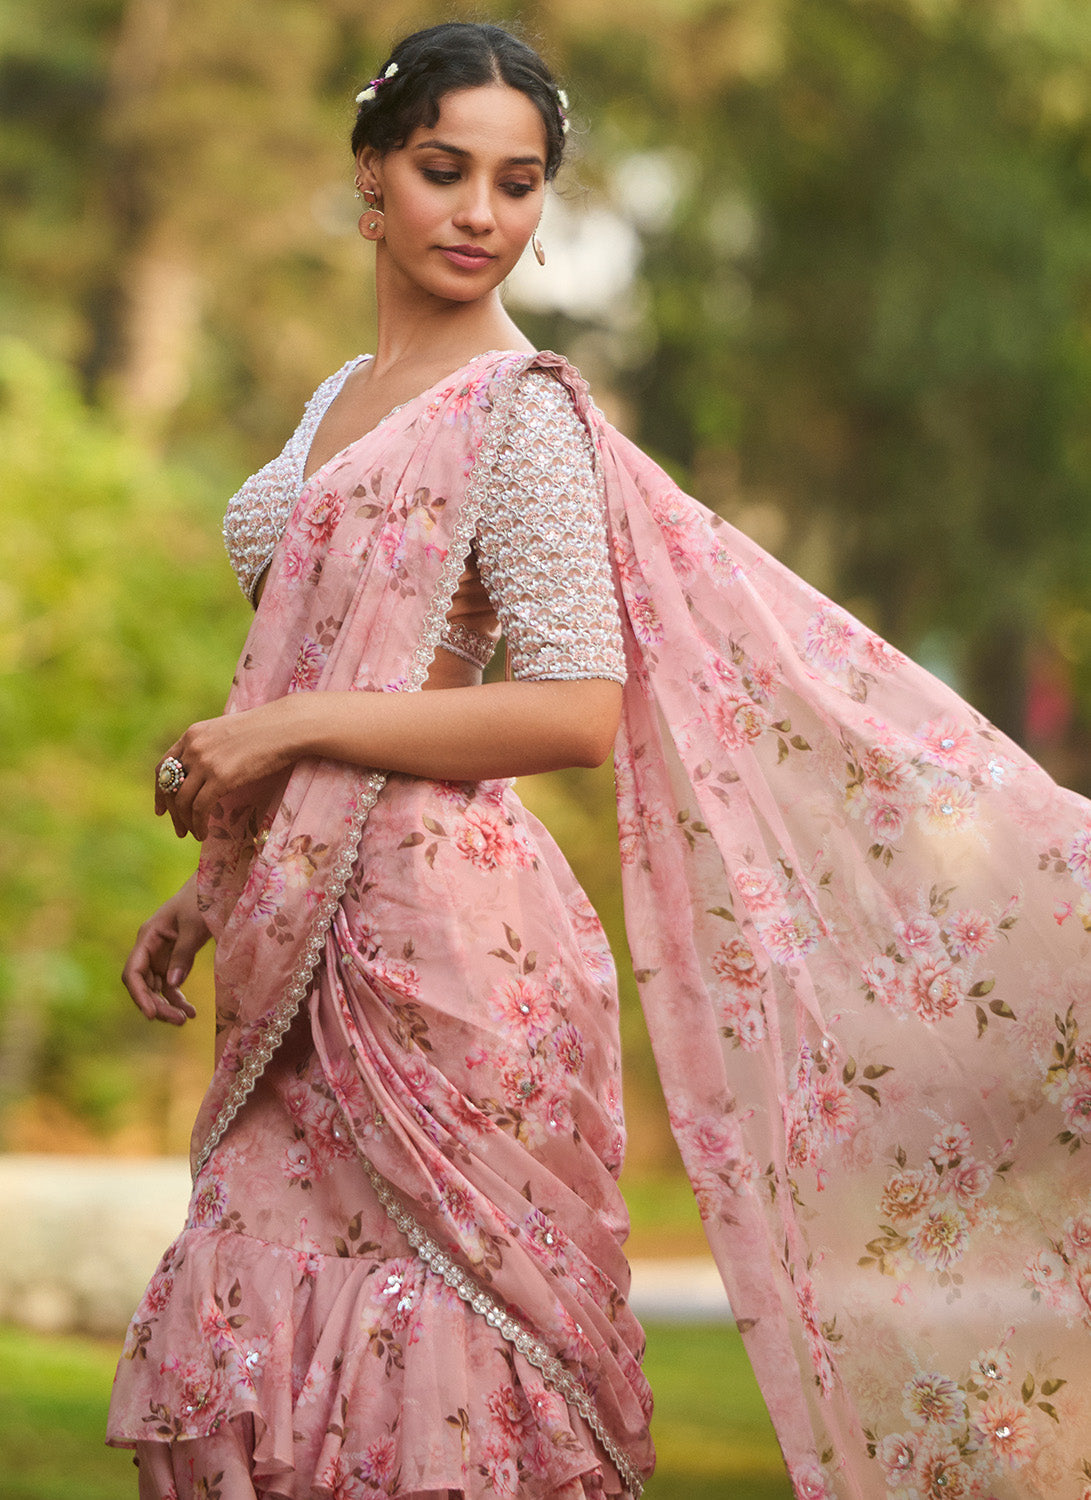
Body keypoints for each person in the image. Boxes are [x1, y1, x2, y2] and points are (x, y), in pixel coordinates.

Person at [107, 21, 1091, 1500]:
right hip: (295, 930)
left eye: (518, 182)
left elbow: (572, 708)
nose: (481, 214)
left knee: (438, 1345)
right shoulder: (334, 397)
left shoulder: (525, 417)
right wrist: (217, 878)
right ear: (369, 174)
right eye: (445, 171)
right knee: (256, 1306)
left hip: (437, 948)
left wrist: (282, 733)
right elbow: (326, 640)